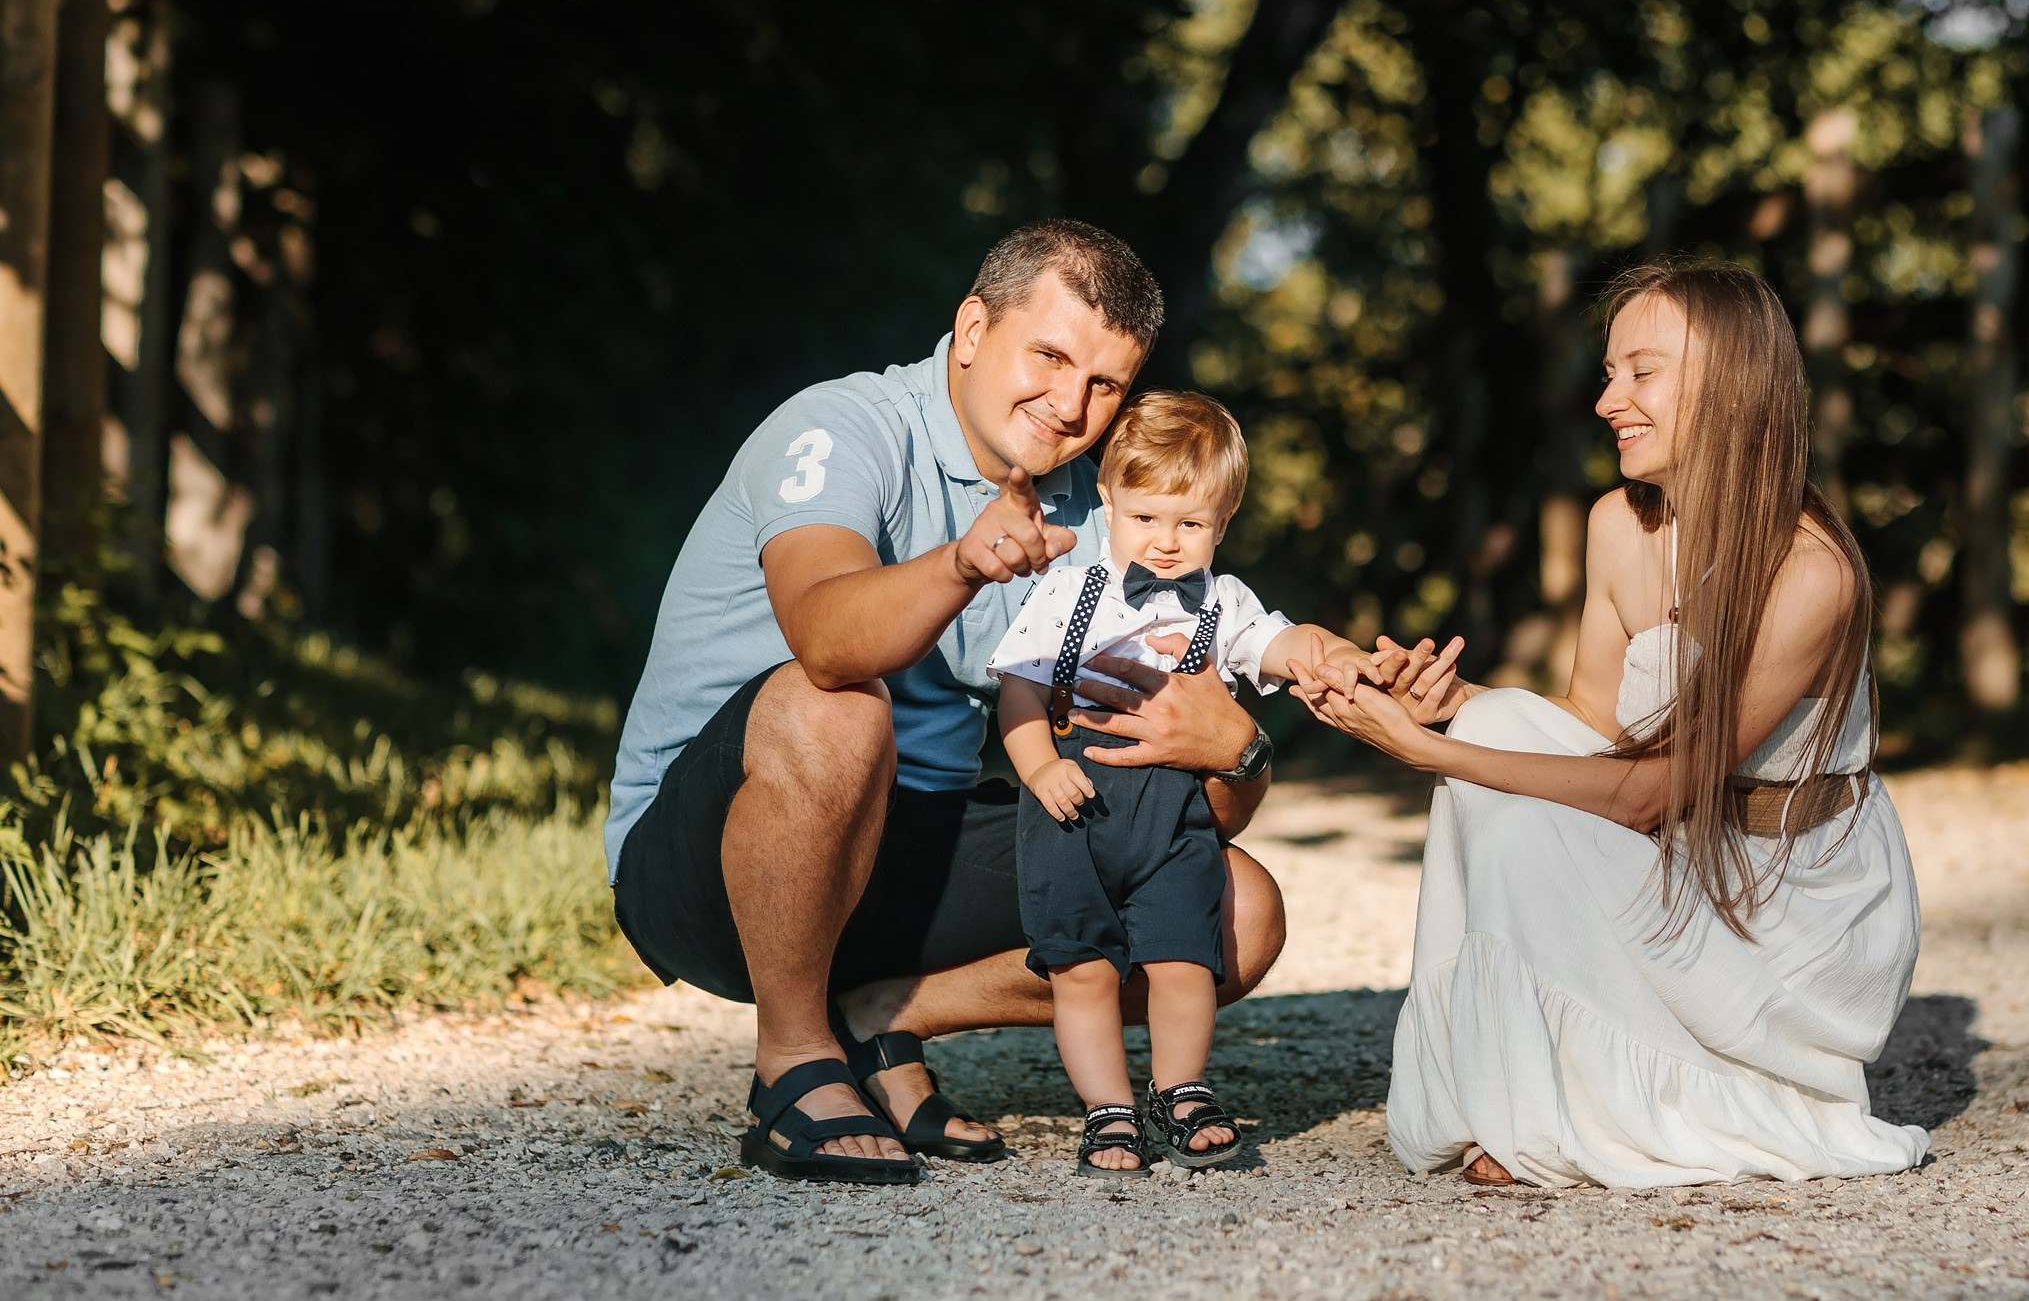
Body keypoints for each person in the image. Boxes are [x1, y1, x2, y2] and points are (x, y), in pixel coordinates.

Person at [604, 221, 1285, 1184]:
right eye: (1048, 356)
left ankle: (887, 1013)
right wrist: (963, 560)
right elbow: (829, 641)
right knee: (837, 705)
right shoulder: (842, 428)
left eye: (1105, 385)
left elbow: (1179, 798)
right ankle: (795, 1056)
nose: (1070, 403)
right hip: (713, 857)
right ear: (971, 329)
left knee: (1238, 909)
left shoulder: (1104, 514)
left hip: (906, 853)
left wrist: (1238, 751)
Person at [1289, 257, 1930, 1190]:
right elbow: (1592, 721)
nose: (1607, 400)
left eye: (1641, 371)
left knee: (1505, 810)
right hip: (1684, 839)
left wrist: (1429, 750)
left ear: (1732, 381)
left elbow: (1655, 789)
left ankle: (1633, 1098)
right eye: (1607, 371)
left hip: (1793, 897)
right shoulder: (1616, 526)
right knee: (1506, 720)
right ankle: (1512, 1087)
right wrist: (1453, 707)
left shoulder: (1810, 570)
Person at [987, 391, 1369, 1176]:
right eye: (1146, 519)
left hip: (1173, 814)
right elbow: (1020, 691)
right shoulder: (1067, 590)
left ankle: (1181, 1088)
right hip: (1073, 806)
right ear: (1109, 501)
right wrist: (1040, 765)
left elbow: (1279, 641)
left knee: (1184, 958)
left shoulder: (1225, 603)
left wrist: (1331, 655)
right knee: (1081, 968)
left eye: (1189, 524)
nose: (1165, 543)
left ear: (1223, 523)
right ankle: (1109, 1110)